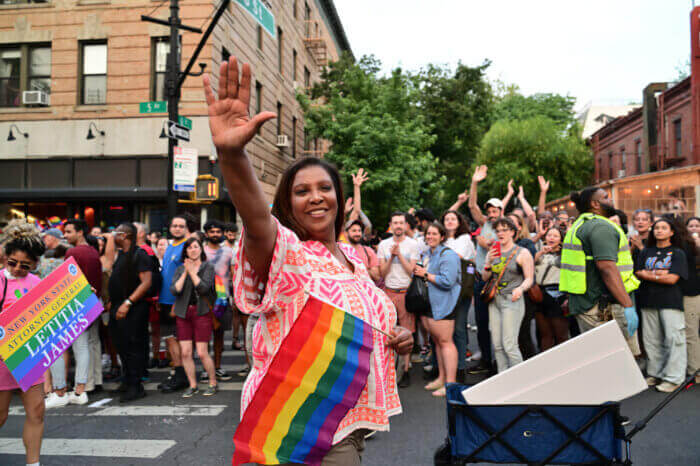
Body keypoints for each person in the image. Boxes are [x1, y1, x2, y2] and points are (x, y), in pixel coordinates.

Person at [204, 57, 412, 464]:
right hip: (299, 422)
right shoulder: (288, 254)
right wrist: (231, 156)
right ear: (289, 203)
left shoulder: (353, 257)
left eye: (324, 188)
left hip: (350, 420)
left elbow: (370, 325)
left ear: (339, 197)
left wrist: (399, 337)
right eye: (302, 191)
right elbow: (257, 218)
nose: (315, 197)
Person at [560, 187, 640, 354]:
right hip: (603, 307)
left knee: (599, 359)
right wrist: (628, 306)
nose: (610, 200)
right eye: (606, 197)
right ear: (595, 204)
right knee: (618, 361)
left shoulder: (580, 224)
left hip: (587, 303)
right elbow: (607, 268)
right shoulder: (600, 227)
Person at [0, 220, 47, 466]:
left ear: (36, 264)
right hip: (1, 359)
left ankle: (33, 463)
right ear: (5, 257)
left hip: (29, 357)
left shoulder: (38, 285)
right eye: (13, 263)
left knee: (37, 411)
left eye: (25, 265)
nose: (18, 268)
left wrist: (81, 296)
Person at [44, 219, 101, 408]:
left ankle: (59, 391)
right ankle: (80, 391)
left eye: (68, 232)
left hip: (71, 304)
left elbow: (66, 281)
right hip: (88, 304)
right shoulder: (93, 252)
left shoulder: (73, 252)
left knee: (55, 347)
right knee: (82, 347)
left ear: (80, 233)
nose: (65, 236)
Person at [634, 218, 688, 392]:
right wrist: (660, 274)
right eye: (656, 228)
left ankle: (674, 378)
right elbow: (638, 273)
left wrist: (650, 274)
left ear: (671, 232)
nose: (659, 231)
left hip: (670, 301)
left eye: (664, 228)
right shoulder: (646, 252)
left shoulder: (677, 253)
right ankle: (655, 373)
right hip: (648, 300)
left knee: (674, 339)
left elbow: (673, 278)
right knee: (651, 340)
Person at [413, 222, 461, 397]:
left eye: (434, 234)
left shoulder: (448, 255)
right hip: (431, 303)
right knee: (438, 342)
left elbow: (448, 281)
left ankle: (451, 384)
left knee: (446, 342)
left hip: (444, 304)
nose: (430, 237)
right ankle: (441, 378)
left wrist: (425, 274)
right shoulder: (428, 254)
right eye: (428, 234)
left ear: (442, 237)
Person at [481, 217, 534, 373]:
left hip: (512, 300)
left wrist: (521, 289)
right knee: (497, 345)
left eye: (504, 230)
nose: (500, 233)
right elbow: (485, 277)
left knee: (509, 345)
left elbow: (529, 278)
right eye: (497, 231)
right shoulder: (493, 252)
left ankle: (520, 381)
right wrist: (488, 264)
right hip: (494, 300)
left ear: (512, 232)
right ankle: (502, 378)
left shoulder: (522, 252)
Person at [108, 223, 153, 402]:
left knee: (133, 346)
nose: (112, 236)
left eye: (115, 233)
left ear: (125, 236)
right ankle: (127, 380)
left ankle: (136, 386)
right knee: (121, 345)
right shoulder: (122, 255)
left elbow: (146, 282)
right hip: (118, 306)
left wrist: (128, 302)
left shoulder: (139, 254)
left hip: (133, 308)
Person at [378, 211, 421, 387]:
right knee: (388, 331)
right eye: (395, 223)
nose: (398, 226)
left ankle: (405, 370)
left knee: (406, 331)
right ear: (391, 224)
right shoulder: (383, 244)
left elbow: (412, 270)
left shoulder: (413, 244)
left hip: (405, 292)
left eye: (401, 223)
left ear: (405, 225)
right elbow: (382, 272)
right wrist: (391, 257)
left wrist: (399, 255)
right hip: (388, 292)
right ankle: (389, 370)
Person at [171, 237, 218, 397]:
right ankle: (192, 384)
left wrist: (192, 271)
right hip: (183, 313)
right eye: (189, 248)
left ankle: (212, 382)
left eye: (196, 247)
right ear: (186, 252)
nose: (193, 250)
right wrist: (185, 271)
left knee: (202, 352)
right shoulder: (179, 269)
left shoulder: (208, 267)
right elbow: (175, 290)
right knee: (185, 352)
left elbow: (204, 288)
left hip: (201, 312)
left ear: (201, 249)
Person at [467, 165, 502, 375]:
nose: (490, 214)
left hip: (496, 281)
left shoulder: (505, 227)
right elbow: (472, 206)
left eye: (494, 211)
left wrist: (487, 244)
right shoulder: (485, 224)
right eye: (488, 211)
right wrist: (474, 182)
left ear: (501, 212)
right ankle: (486, 361)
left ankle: (500, 363)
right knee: (481, 322)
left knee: (497, 324)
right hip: (479, 279)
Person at [157, 215, 193, 392]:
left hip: (176, 301)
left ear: (186, 229)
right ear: (170, 228)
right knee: (169, 339)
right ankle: (178, 372)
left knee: (177, 340)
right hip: (164, 300)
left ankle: (181, 376)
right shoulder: (170, 246)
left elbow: (187, 278)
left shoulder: (186, 247)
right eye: (175, 226)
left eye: (181, 226)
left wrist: (176, 303)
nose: (178, 229)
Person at [440, 210, 475, 380]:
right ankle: (444, 368)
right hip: (441, 291)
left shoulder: (465, 239)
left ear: (459, 222)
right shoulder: (440, 239)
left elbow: (459, 257)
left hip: (461, 291)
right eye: (447, 219)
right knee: (443, 332)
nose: (450, 222)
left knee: (459, 329)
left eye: (453, 219)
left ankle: (461, 367)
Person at [202, 219, 233, 382]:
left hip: (222, 298)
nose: (215, 234)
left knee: (219, 334)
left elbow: (234, 274)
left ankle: (218, 367)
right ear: (206, 234)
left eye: (218, 232)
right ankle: (207, 369)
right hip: (204, 297)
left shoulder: (229, 251)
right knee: (204, 336)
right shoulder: (200, 251)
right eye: (212, 232)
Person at [533, 227, 569, 350]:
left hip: (557, 294)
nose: (551, 238)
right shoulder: (539, 252)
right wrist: (540, 253)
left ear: (561, 239)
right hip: (539, 294)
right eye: (549, 235)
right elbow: (528, 265)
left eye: (555, 236)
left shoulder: (565, 253)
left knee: (561, 336)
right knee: (545, 335)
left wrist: (568, 297)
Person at [679, 217, 699, 383]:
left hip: (692, 292)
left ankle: (695, 371)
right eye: (691, 225)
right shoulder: (684, 244)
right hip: (684, 291)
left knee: (691, 332)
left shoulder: (690, 245)